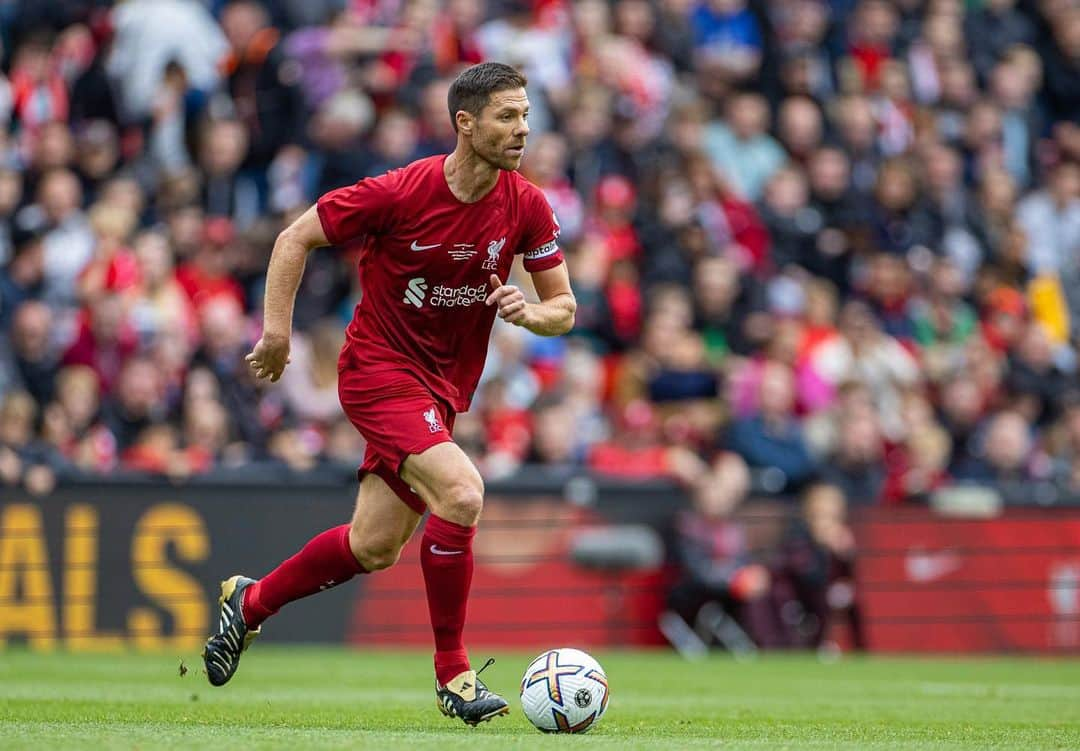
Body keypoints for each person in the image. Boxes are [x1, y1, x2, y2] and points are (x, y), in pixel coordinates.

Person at [201, 62, 575, 726]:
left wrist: (528, 311)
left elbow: (564, 308)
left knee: (374, 545)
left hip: (442, 390)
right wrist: (278, 334)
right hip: (378, 373)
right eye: (508, 116)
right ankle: (453, 673)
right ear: (466, 123)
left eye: (526, 115)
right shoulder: (400, 191)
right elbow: (296, 238)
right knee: (462, 492)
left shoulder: (528, 204)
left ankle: (249, 602)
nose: (523, 129)